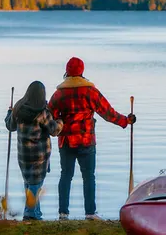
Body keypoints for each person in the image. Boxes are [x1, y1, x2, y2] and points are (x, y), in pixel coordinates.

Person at [48, 57, 137, 221]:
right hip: (86, 140)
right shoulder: (90, 92)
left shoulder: (59, 94)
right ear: (82, 71)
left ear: (67, 72)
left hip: (66, 141)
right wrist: (125, 121)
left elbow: (50, 117)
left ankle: (63, 213)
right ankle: (90, 213)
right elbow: (107, 113)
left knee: (66, 175)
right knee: (88, 176)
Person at [4, 80, 64, 221]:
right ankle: (30, 214)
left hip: (23, 155)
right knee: (35, 185)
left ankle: (36, 214)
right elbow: (54, 130)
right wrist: (61, 121)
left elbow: (10, 126)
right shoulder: (42, 113)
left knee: (30, 184)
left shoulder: (18, 109)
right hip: (39, 156)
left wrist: (9, 112)